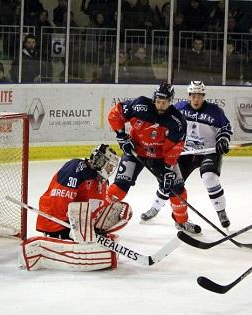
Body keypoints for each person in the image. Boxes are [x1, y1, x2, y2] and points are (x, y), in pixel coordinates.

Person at [105, 83, 201, 234]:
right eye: (158, 100)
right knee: (119, 188)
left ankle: (181, 222)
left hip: (160, 157)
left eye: (164, 102)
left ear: (171, 101)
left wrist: (168, 167)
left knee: (178, 190)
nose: (160, 104)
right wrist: (121, 136)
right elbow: (116, 113)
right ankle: (99, 215)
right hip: (135, 152)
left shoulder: (177, 121)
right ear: (154, 98)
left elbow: (175, 146)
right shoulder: (140, 105)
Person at [140, 81, 233, 228]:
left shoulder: (215, 111)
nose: (196, 99)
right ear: (189, 95)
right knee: (169, 180)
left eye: (199, 96)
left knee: (210, 177)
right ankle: (155, 208)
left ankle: (221, 212)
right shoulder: (179, 108)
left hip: (208, 152)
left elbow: (225, 129)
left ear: (203, 96)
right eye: (194, 96)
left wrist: (223, 140)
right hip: (186, 152)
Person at [36, 144, 119, 240]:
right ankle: (60, 234)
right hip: (58, 225)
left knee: (122, 210)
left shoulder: (102, 182)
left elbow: (97, 208)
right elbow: (58, 201)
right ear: (100, 161)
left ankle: (89, 234)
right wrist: (70, 228)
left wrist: (92, 228)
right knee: (77, 207)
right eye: (110, 165)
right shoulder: (77, 168)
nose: (111, 169)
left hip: (79, 226)